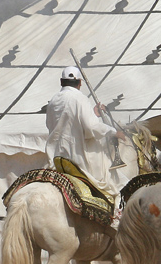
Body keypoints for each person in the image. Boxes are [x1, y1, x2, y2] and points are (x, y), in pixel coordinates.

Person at [45, 66, 125, 226]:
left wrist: (91, 113)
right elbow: (91, 128)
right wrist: (112, 131)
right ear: (79, 83)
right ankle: (116, 220)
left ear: (62, 81)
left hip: (57, 158)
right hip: (77, 157)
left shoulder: (54, 100)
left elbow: (52, 125)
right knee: (116, 184)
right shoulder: (80, 98)